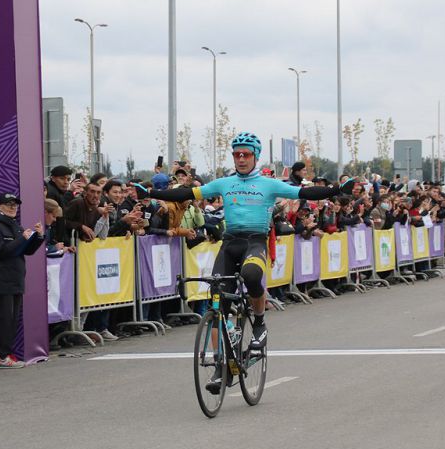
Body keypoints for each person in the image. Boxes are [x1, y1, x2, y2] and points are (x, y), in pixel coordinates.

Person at [137, 131, 353, 394]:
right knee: (217, 303)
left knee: (251, 276)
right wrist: (150, 192)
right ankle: (220, 368)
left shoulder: (268, 185)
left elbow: (305, 191)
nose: (240, 159)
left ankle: (259, 323)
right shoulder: (223, 183)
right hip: (230, 244)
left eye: (246, 154)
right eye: (237, 154)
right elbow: (185, 193)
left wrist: (336, 189)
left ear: (255, 157)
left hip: (255, 242)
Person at [0, 193, 45, 369]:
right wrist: (21, 238)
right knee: (5, 319)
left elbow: (27, 250)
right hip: (1, 278)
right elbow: (1, 251)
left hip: (16, 277)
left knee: (13, 319)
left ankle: (7, 353)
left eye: (15, 205)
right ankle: (1, 356)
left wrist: (38, 237)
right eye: (8, 204)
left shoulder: (14, 224)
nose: (13, 207)